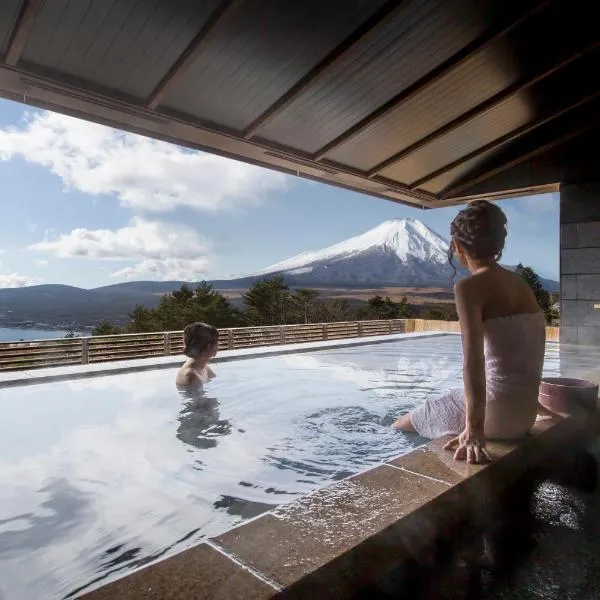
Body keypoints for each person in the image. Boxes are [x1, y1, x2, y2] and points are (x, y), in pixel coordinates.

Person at [392, 200, 546, 465]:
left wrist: (475, 429)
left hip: (493, 418)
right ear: (499, 243)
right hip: (525, 414)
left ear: (457, 246)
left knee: (401, 424)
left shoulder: (469, 287)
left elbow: (472, 361)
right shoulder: (521, 285)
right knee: (447, 401)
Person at [175, 322, 219, 387]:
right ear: (209, 346)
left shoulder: (204, 367)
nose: (218, 345)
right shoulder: (192, 376)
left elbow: (217, 383)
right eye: (217, 341)